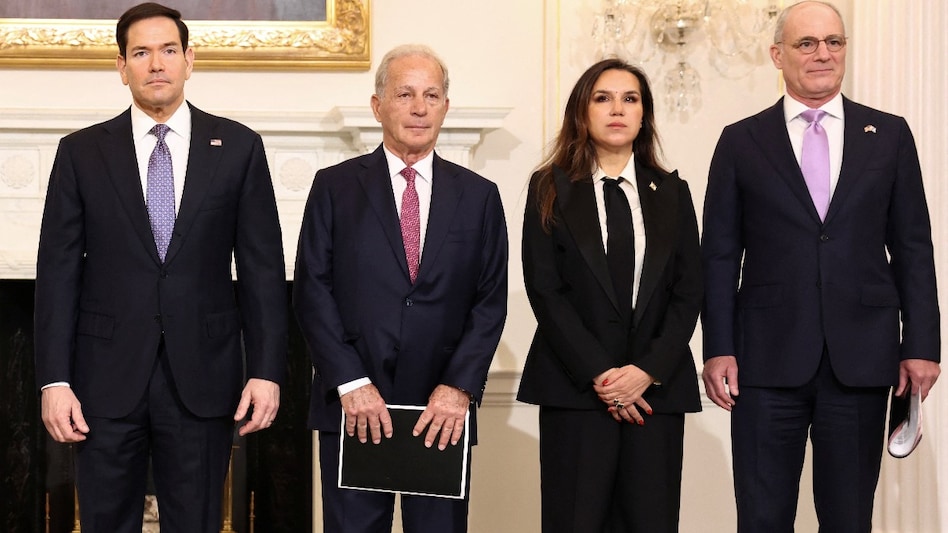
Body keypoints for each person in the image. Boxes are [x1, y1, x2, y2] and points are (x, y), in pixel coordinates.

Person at [33, 3, 288, 532]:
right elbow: (57, 274)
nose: (156, 65)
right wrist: (53, 380)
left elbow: (263, 271)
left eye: (168, 51)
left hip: (204, 377)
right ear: (121, 67)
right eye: (141, 53)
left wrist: (265, 370)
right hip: (102, 382)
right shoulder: (80, 153)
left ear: (189, 60)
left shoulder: (238, 147)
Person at [701, 2, 941, 531]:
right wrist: (718, 346)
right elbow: (718, 256)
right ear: (777, 55)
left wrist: (921, 345)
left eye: (833, 41)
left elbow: (913, 248)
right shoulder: (741, 141)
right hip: (763, 361)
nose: (822, 54)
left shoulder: (891, 135)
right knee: (762, 518)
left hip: (861, 358)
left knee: (848, 518)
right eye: (807, 43)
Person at [293, 44, 508, 533]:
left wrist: (457, 389)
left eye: (432, 95)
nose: (419, 107)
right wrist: (350, 383)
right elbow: (312, 291)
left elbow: (489, 302)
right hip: (353, 408)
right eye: (405, 94)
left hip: (442, 414)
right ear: (378, 105)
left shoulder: (478, 197)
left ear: (446, 108)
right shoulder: (334, 187)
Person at [517, 58, 703, 532]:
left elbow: (688, 291)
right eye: (602, 98)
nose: (617, 109)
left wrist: (646, 372)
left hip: (655, 395)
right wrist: (604, 376)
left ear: (644, 115)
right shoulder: (549, 188)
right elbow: (545, 290)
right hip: (577, 391)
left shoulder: (673, 193)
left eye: (630, 99)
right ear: (582, 111)